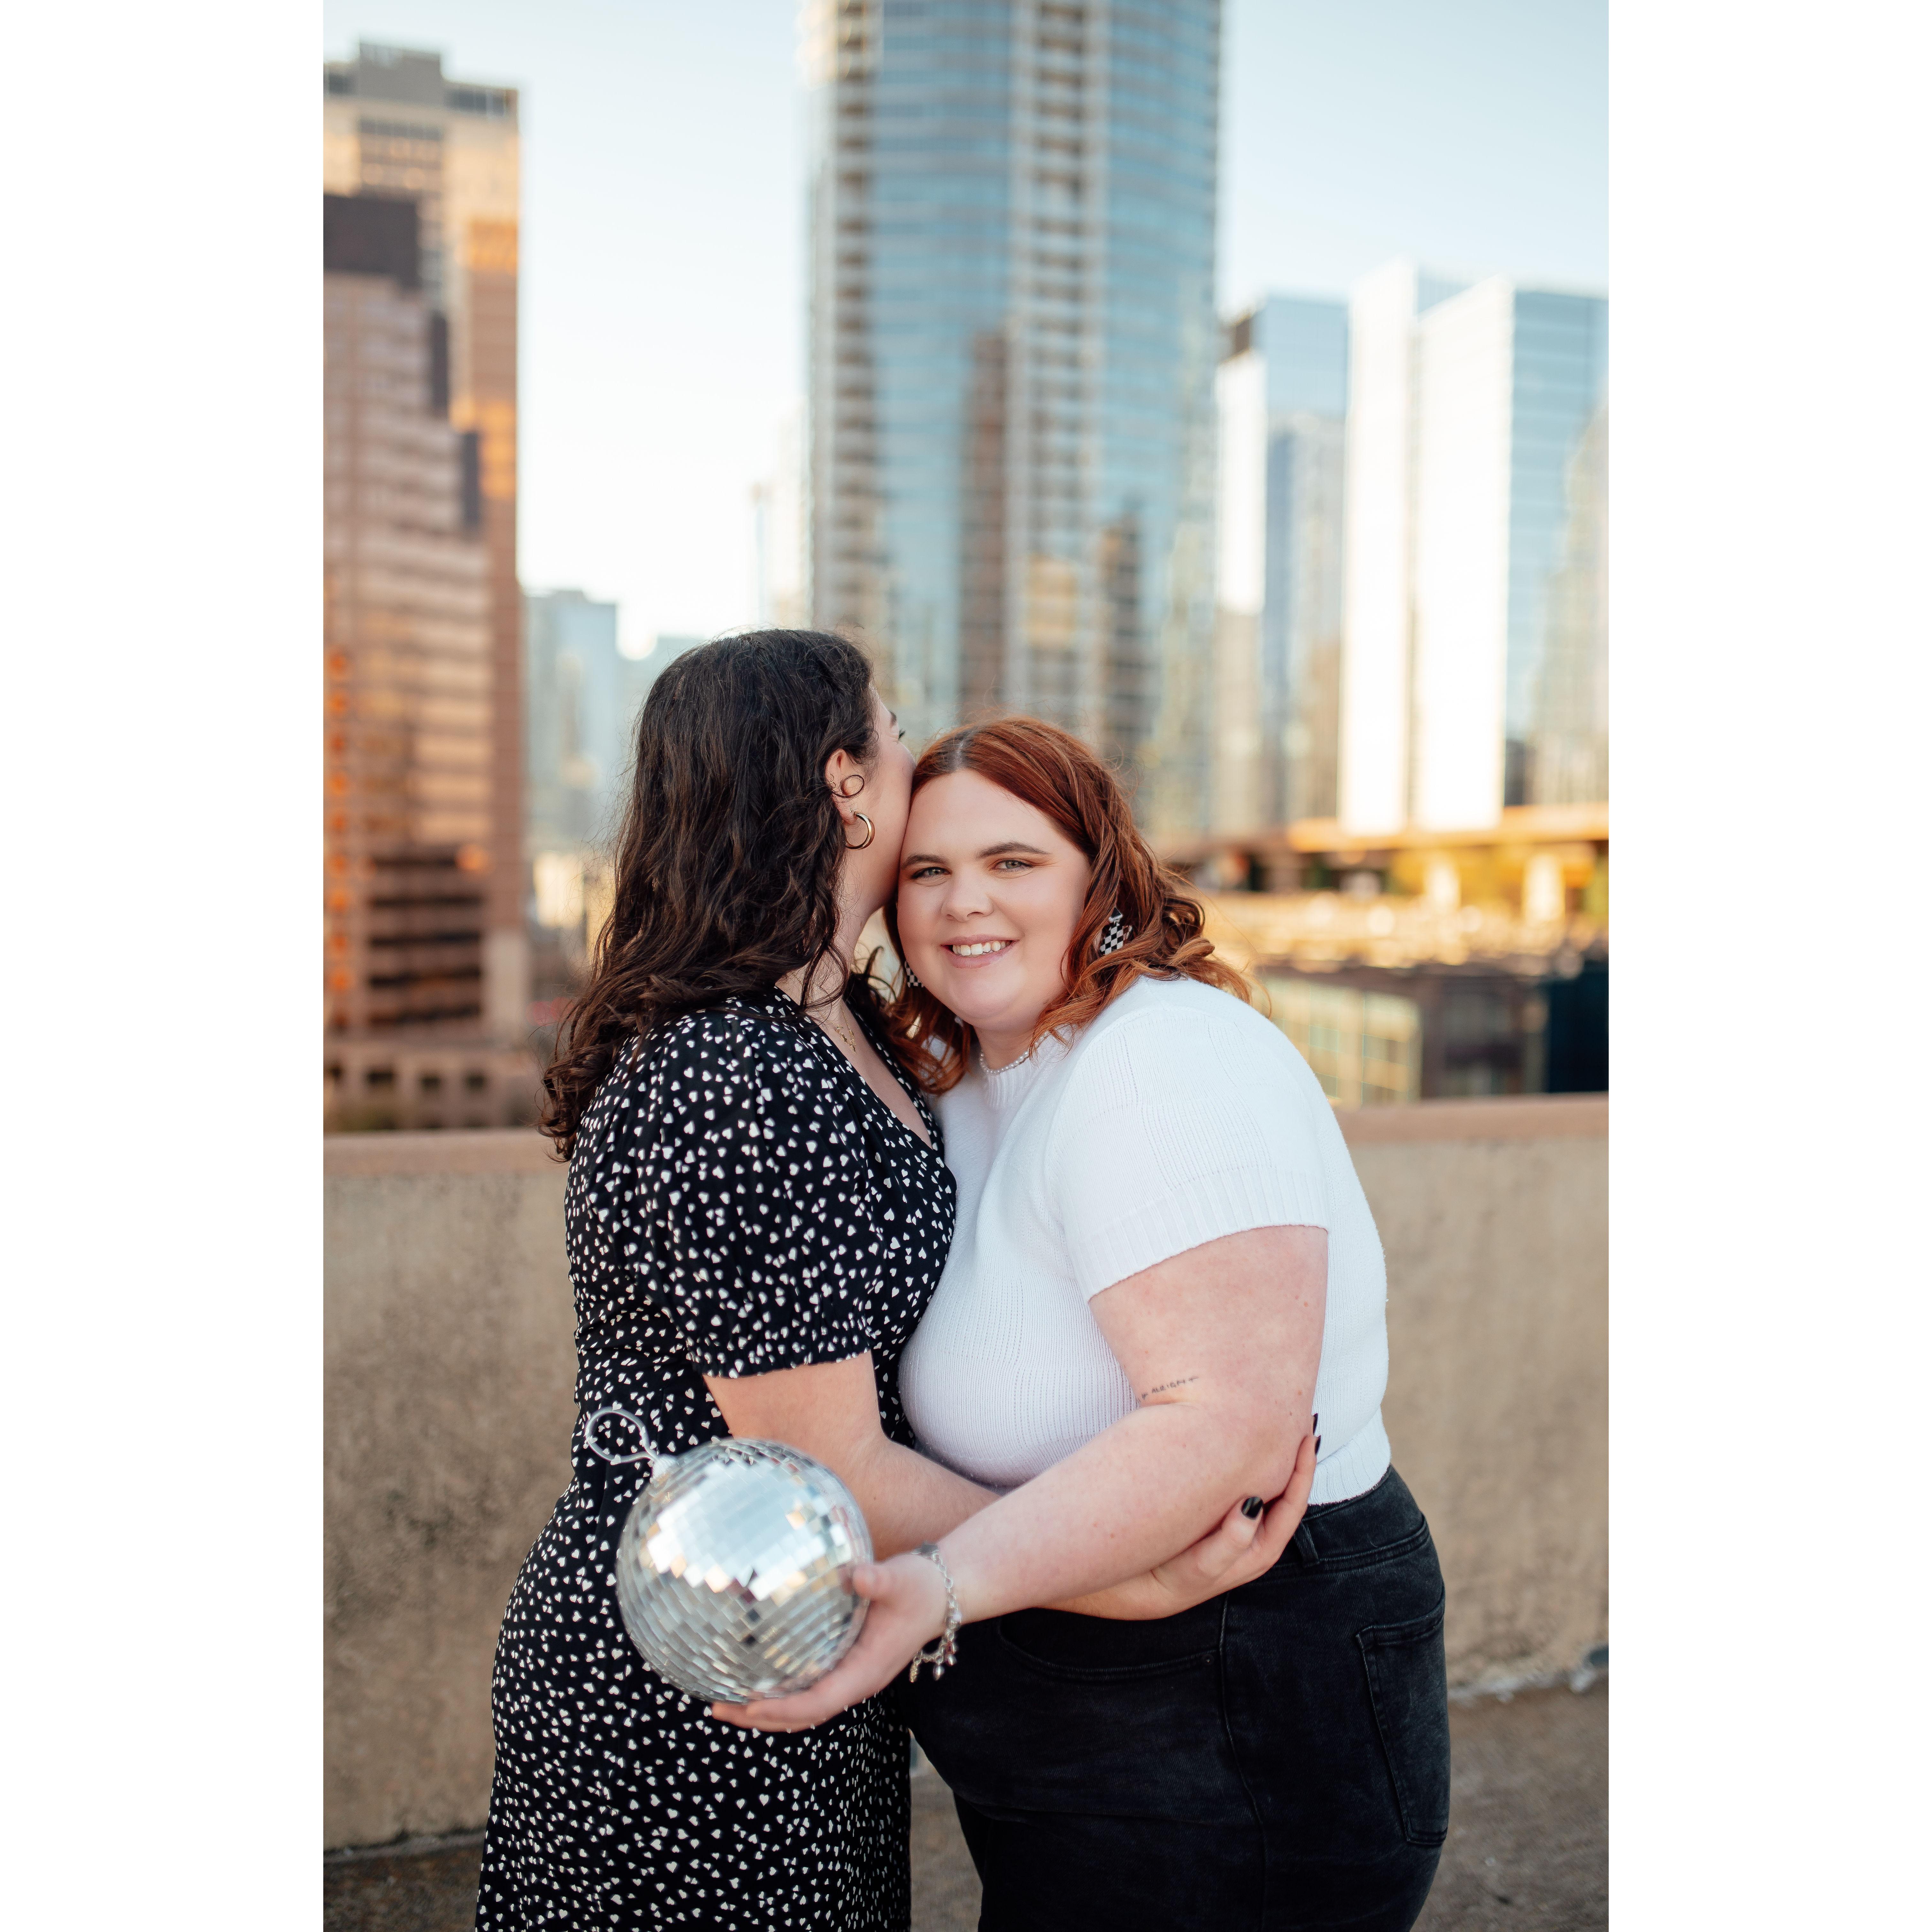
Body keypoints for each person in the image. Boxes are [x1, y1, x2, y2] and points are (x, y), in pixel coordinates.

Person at [476, 636, 1307, 1932]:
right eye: (898, 730)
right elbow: (836, 1463)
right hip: (697, 1663)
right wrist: (1126, 1576)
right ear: (847, 785)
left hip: (829, 1625)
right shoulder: (734, 1074)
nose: (919, 756)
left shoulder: (846, 1023)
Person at [718, 717, 1450, 1932]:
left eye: (1014, 862)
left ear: (1099, 880)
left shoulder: (1166, 1057)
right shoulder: (973, 1080)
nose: (965, 902)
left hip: (1233, 1699)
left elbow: (1230, 1422)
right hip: (1087, 1723)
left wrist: (941, 1586)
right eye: (928, 870)